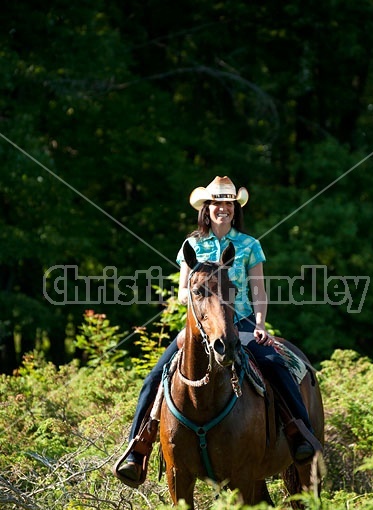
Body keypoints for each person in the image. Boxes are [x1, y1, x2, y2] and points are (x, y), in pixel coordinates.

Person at [114, 176, 316, 487]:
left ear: (235, 209)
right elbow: (182, 291)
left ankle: (298, 432)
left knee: (275, 365)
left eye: (228, 203)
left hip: (242, 323)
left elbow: (259, 291)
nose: (222, 208)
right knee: (154, 376)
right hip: (200, 325)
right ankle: (138, 447)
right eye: (217, 203)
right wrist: (197, 295)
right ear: (206, 209)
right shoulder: (192, 245)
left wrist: (260, 324)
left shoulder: (249, 246)